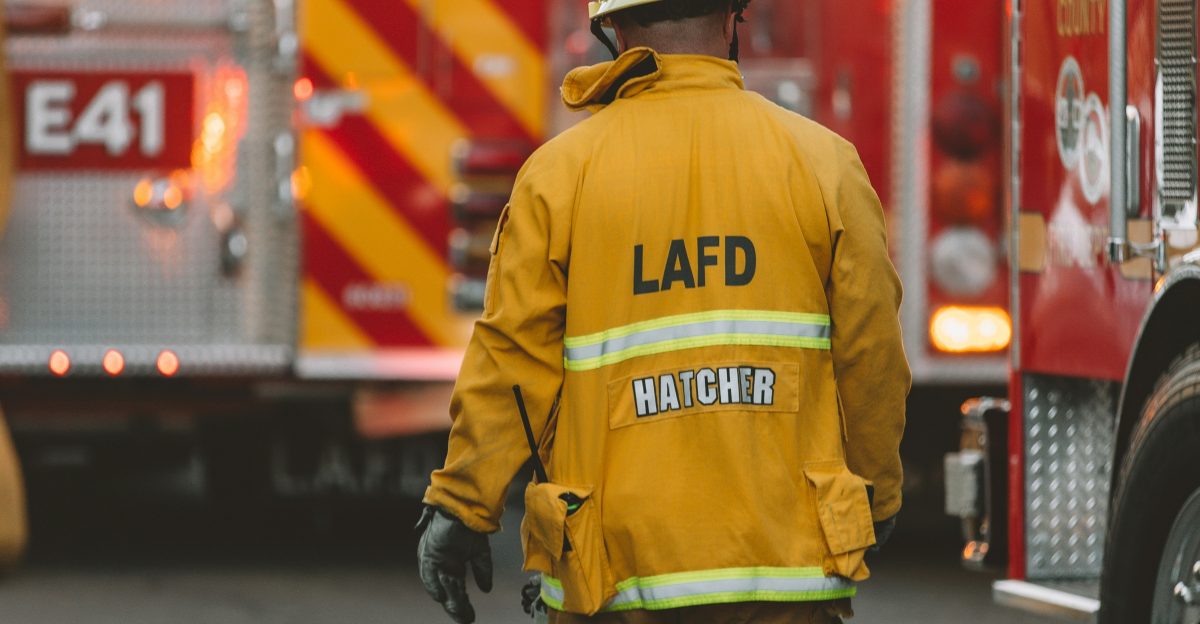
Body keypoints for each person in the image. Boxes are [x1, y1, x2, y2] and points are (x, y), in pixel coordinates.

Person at [417, 0, 909, 622]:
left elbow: (512, 358)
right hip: (787, 572)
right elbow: (873, 355)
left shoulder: (559, 176)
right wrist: (876, 493)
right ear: (733, 20)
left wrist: (463, 506)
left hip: (614, 570)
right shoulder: (824, 163)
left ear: (612, 30)